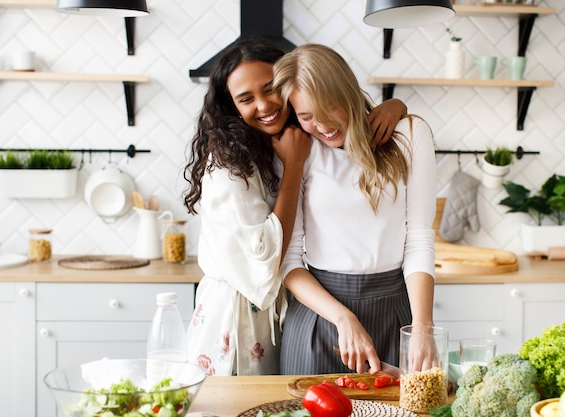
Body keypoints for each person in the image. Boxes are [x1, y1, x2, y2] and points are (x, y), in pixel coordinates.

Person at [183, 38, 407, 376]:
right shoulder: (228, 166)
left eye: (270, 88)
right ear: (232, 107)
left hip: (279, 313)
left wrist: (396, 106)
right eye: (246, 99)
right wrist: (295, 166)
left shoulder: (288, 140)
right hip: (234, 317)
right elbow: (267, 255)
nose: (263, 105)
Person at [272, 43, 437, 376]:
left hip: (395, 315)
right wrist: (342, 318)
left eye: (329, 107)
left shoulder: (409, 134)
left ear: (347, 92)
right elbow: (288, 260)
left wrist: (422, 327)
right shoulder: (298, 149)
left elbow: (418, 239)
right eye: (306, 116)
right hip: (319, 320)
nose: (322, 125)